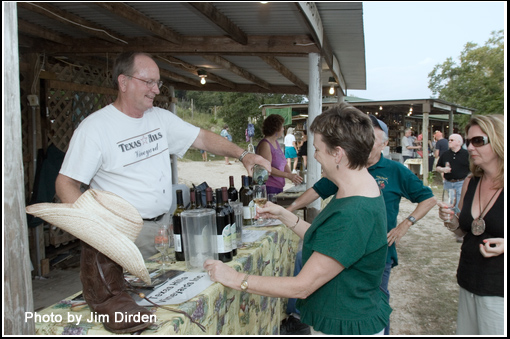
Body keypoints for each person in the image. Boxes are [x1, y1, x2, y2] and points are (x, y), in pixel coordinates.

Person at [55, 52, 271, 259]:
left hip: (165, 227)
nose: (156, 90)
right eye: (148, 82)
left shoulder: (159, 118)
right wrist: (99, 228)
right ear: (123, 82)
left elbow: (202, 138)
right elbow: (66, 184)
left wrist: (243, 155)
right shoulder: (94, 128)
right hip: (125, 235)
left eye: (157, 83)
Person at [205, 103, 392, 335]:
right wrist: (285, 215)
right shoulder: (358, 187)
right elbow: (332, 242)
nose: (314, 156)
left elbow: (302, 286)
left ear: (338, 153)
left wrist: (235, 278)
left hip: (347, 325)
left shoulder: (354, 211)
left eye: (317, 149)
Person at [285, 115, 437, 335]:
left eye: (372, 139)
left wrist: (406, 223)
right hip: (347, 247)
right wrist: (289, 209)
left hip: (378, 250)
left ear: (384, 144)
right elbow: (318, 190)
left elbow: (429, 198)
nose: (365, 143)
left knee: (373, 302)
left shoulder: (394, 170)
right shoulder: (348, 169)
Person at [437, 115, 504, 335]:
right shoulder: (471, 181)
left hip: (499, 290)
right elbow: (464, 231)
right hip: (468, 280)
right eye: (468, 141)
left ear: (499, 141)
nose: (470, 147)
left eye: (478, 141)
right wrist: (451, 221)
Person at [256, 114, 302, 194]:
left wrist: (292, 177)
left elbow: (283, 163)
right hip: (268, 187)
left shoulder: (275, 142)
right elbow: (267, 168)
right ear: (275, 129)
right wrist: (288, 175)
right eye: (282, 127)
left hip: (278, 186)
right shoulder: (265, 145)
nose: (283, 129)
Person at [436, 133, 471, 208]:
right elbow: (437, 167)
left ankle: (458, 217)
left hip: (461, 182)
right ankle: (451, 218)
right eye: (449, 140)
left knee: (459, 204)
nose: (449, 141)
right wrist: (442, 169)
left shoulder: (467, 154)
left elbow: (472, 169)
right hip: (448, 182)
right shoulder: (445, 154)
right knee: (448, 204)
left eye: (452, 140)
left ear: (459, 142)